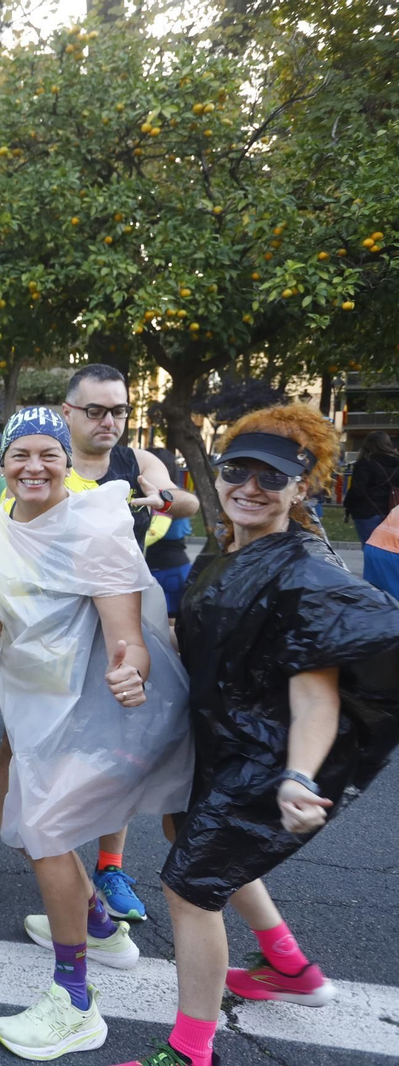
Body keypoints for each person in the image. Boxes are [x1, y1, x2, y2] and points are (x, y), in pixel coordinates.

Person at [115, 405, 399, 1066]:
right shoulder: (231, 544)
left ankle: (191, 1052)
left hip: (264, 758)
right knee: (185, 835)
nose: (250, 486)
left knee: (190, 888)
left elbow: (316, 693)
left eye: (271, 477)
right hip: (221, 740)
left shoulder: (304, 574)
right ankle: (289, 966)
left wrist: (299, 776)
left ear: (303, 488)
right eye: (237, 470)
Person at [0, 407, 193, 1061]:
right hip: (28, 703)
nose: (34, 467)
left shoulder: (92, 529)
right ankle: (99, 927)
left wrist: (130, 670)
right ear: (4, 461)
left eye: (49, 454)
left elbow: (128, 637)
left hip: (90, 710)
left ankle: (75, 1003)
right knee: (33, 829)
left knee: (43, 834)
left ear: (68, 461)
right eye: (21, 454)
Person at [0, 363, 199, 914]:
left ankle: (106, 879)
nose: (109, 420)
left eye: (119, 410)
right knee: (23, 769)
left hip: (101, 651)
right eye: (95, 409)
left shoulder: (122, 482)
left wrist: (132, 669)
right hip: (35, 664)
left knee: (99, 771)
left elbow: (181, 507)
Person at [143, 448, 194, 618]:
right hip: (178, 568)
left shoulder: (160, 497)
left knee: (162, 626)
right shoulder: (179, 495)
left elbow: (154, 533)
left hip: (161, 571)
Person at [345, 430, 399, 543]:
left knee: (370, 546)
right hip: (393, 512)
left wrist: (348, 505)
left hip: (367, 511)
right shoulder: (396, 464)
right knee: (389, 547)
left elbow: (357, 490)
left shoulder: (365, 464)